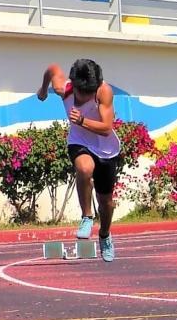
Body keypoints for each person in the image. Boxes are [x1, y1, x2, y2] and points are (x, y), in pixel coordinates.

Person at [37, 59, 122, 262]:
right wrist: (43, 90)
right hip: (79, 141)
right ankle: (86, 217)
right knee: (84, 168)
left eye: (89, 94)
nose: (84, 98)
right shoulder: (63, 89)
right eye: (81, 93)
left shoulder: (104, 92)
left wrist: (82, 120)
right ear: (73, 86)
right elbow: (52, 69)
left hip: (105, 148)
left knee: (107, 204)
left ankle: (105, 235)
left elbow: (106, 128)